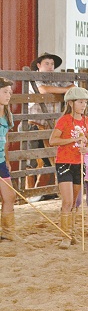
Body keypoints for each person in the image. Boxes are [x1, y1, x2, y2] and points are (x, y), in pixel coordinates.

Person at [48, 87, 88, 249]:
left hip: (79, 163)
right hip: (64, 162)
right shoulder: (64, 120)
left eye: (85, 103)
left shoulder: (86, 121)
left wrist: (86, 149)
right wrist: (71, 140)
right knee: (67, 201)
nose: (83, 105)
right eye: (80, 102)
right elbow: (53, 140)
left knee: (74, 201)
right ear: (71, 103)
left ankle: (71, 232)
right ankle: (65, 236)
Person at [27, 52, 74, 192]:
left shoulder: (56, 79)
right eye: (47, 63)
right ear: (39, 65)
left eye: (52, 64)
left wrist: (63, 90)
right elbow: (43, 90)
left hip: (51, 126)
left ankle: (44, 191)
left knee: (49, 159)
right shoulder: (33, 78)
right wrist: (64, 91)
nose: (50, 67)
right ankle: (31, 191)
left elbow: (73, 87)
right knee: (33, 160)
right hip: (35, 124)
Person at [0, 77, 18, 241]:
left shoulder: (6, 115)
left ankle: (7, 232)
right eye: (5, 92)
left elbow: (5, 140)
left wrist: (6, 160)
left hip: (0, 162)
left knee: (9, 196)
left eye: (10, 93)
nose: (8, 96)